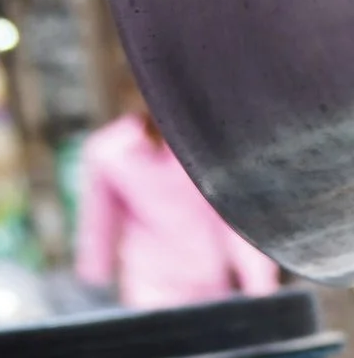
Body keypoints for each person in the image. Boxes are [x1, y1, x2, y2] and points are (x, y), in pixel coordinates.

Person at [74, 85, 279, 311]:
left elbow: (232, 217)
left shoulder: (202, 144)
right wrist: (93, 283)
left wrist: (259, 281)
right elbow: (100, 227)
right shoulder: (110, 151)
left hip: (210, 285)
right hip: (150, 290)